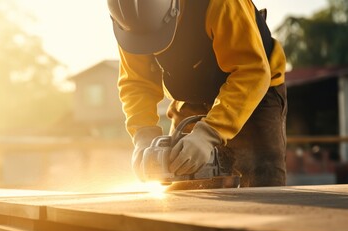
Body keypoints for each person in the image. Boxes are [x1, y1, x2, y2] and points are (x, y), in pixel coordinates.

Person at [107, 0, 287, 187]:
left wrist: (207, 134)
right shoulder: (132, 21)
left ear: (174, 8)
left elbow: (251, 71)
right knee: (179, 178)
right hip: (192, 91)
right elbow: (137, 82)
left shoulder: (222, 4)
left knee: (264, 177)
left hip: (252, 87)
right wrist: (143, 134)